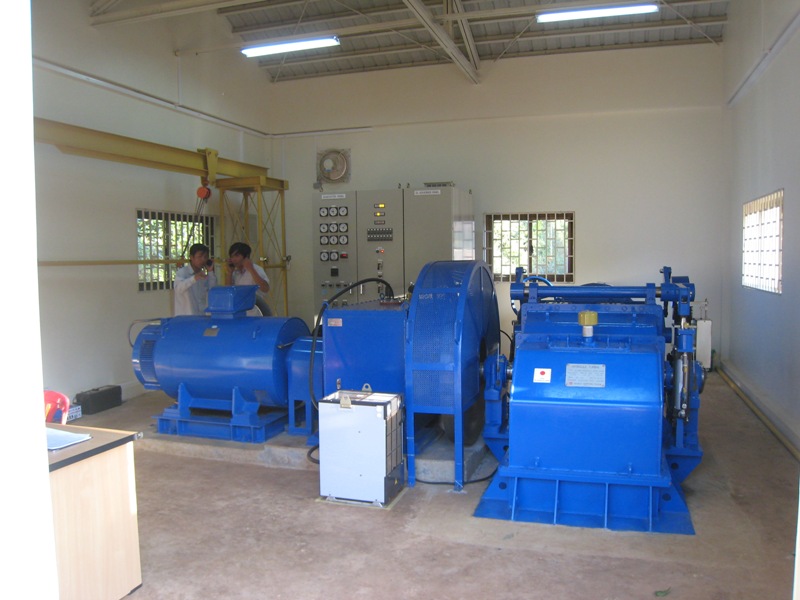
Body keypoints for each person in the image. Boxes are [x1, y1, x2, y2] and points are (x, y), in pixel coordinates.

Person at [226, 242, 272, 316]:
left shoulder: (257, 269)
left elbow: (265, 288)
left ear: (246, 257)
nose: (234, 259)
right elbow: (229, 292)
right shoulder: (235, 273)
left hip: (255, 313)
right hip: (239, 313)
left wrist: (251, 269)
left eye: (237, 256)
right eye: (232, 256)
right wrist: (229, 273)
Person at [173, 243, 217, 316]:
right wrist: (194, 278)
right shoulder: (182, 272)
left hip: (201, 315)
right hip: (185, 317)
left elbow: (212, 289)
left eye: (205, 257)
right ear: (191, 257)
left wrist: (210, 272)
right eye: (199, 257)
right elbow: (178, 288)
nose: (203, 260)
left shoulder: (203, 275)